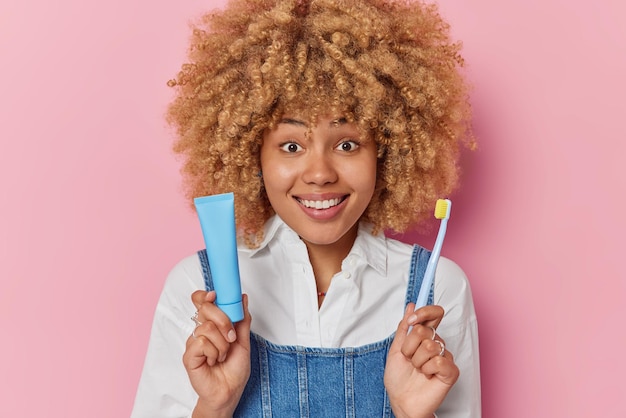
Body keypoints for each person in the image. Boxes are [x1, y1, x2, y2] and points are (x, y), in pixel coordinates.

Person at [131, 0, 480, 416]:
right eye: (291, 146)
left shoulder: (436, 290)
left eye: (347, 144)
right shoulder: (194, 291)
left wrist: (410, 413)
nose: (319, 174)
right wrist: (215, 404)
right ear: (251, 152)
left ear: (387, 151)